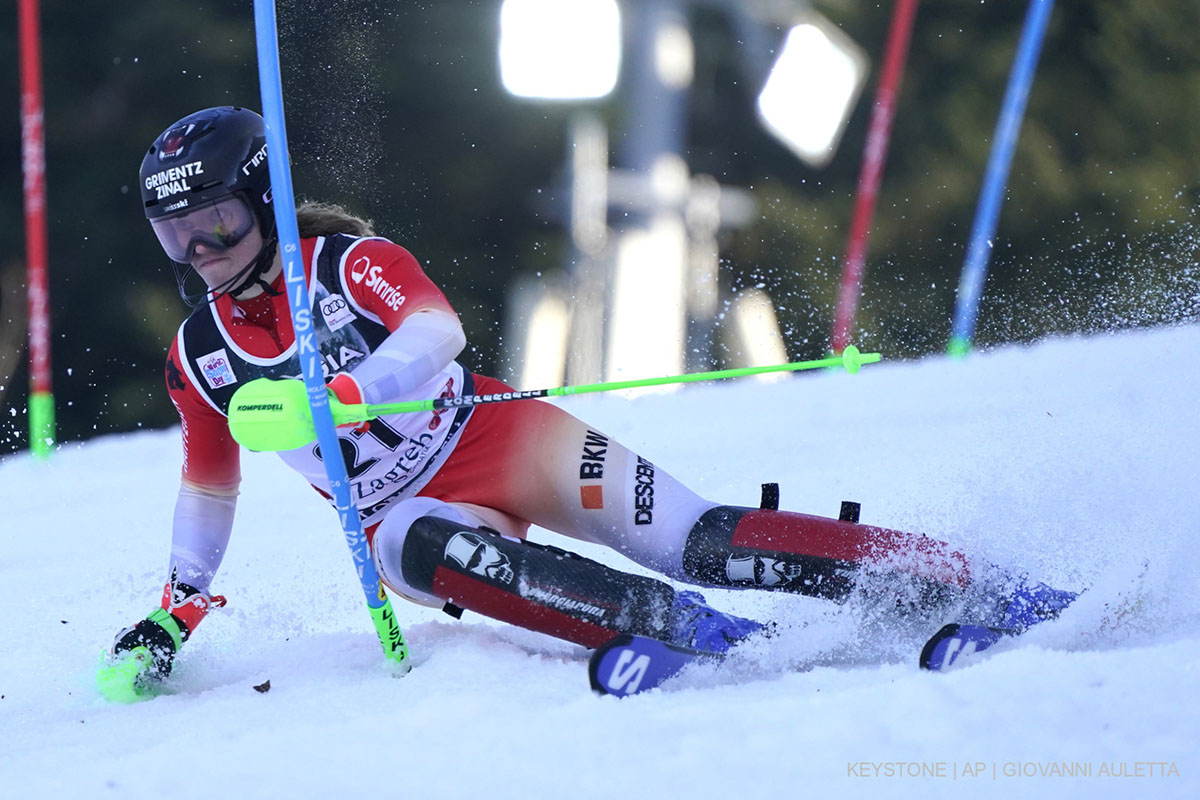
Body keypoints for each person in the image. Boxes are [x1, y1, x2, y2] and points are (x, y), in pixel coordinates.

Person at [108, 106, 1076, 687]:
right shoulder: (200, 354)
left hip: (500, 437)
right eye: (177, 237)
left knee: (702, 538)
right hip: (412, 507)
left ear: (265, 201)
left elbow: (438, 334)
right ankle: (666, 627)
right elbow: (208, 484)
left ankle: (970, 579)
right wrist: (178, 607)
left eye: (220, 223)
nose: (202, 254)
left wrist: (350, 390)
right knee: (407, 544)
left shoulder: (350, 263)